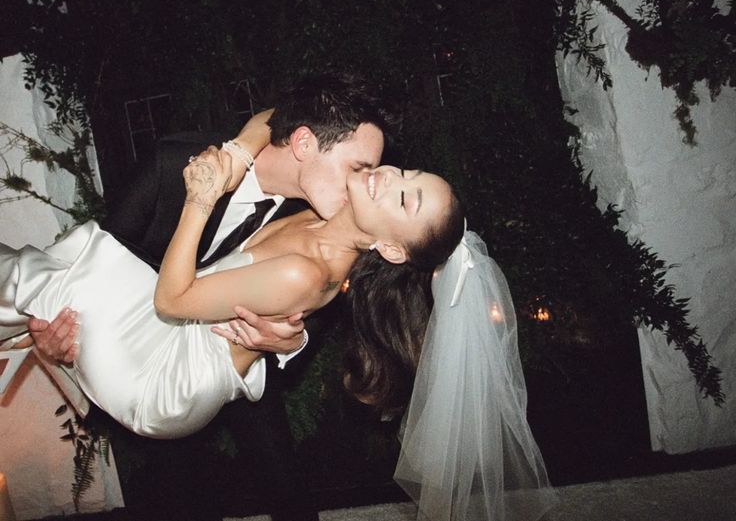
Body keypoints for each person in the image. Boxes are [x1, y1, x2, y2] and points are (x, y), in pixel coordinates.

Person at [1, 134, 557, 521]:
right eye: (407, 173)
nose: (388, 174)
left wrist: (201, 197)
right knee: (42, 282)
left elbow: (172, 300)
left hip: (166, 377)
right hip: (173, 326)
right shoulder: (319, 200)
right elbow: (273, 118)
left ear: (390, 247)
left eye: (405, 196)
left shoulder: (307, 271)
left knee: (42, 279)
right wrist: (237, 154)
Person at [10, 74, 388, 521]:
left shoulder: (314, 211)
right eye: (358, 168)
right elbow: (99, 273)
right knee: (179, 494)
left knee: (285, 482)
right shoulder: (171, 167)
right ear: (304, 143)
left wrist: (292, 342)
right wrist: (55, 348)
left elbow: (321, 297)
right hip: (146, 356)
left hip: (233, 350)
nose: (367, 184)